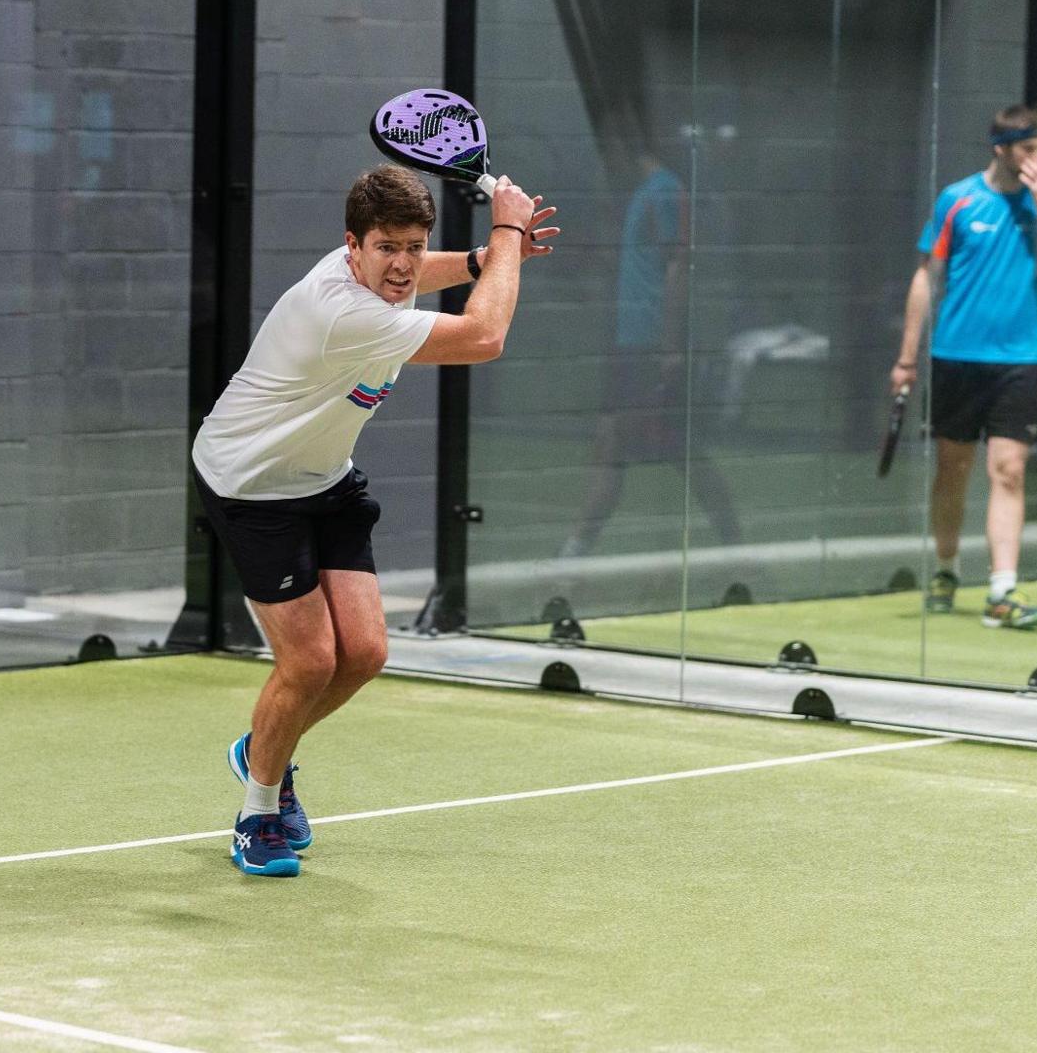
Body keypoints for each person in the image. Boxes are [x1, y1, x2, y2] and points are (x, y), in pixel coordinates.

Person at [193, 164, 556, 877]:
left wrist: (484, 257)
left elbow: (423, 278)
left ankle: (263, 744)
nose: (403, 265)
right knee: (309, 661)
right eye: (386, 247)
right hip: (252, 488)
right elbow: (484, 336)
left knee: (364, 654)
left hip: (325, 480)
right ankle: (258, 810)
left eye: (414, 246)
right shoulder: (343, 314)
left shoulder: (375, 277)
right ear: (350, 246)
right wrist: (508, 230)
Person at [890, 104, 1037, 629]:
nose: (1036, 160)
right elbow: (926, 277)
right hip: (956, 358)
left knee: (1010, 470)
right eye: (1027, 150)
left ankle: (1002, 590)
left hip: (1021, 360)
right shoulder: (957, 199)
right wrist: (907, 358)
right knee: (953, 469)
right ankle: (946, 569)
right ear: (1001, 148)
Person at [563, 147, 740, 558]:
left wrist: (670, 348)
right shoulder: (645, 193)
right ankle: (573, 555)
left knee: (668, 451)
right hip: (632, 346)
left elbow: (679, 265)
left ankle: (572, 557)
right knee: (634, 446)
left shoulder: (664, 191)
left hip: (649, 348)